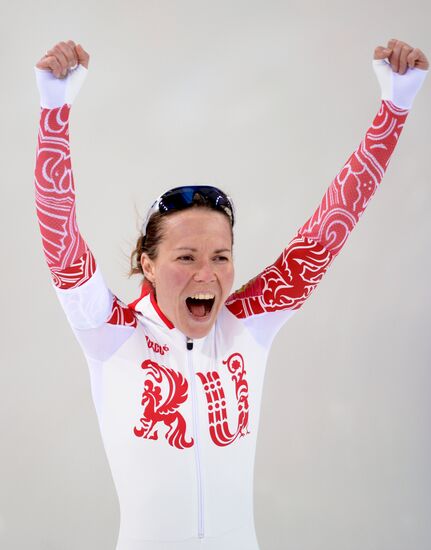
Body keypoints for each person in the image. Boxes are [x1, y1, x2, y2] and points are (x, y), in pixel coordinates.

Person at [34, 39, 428, 550]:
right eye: (186, 257)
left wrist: (395, 107)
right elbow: (60, 237)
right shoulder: (112, 332)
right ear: (147, 265)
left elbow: (327, 231)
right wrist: (53, 110)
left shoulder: (247, 324)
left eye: (220, 257)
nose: (207, 273)